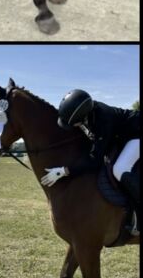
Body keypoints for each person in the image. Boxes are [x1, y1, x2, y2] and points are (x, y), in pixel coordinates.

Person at [41, 89, 140, 232]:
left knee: (120, 168)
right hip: (122, 136)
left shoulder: (103, 119)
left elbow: (95, 161)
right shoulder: (88, 114)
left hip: (136, 135)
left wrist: (65, 170)